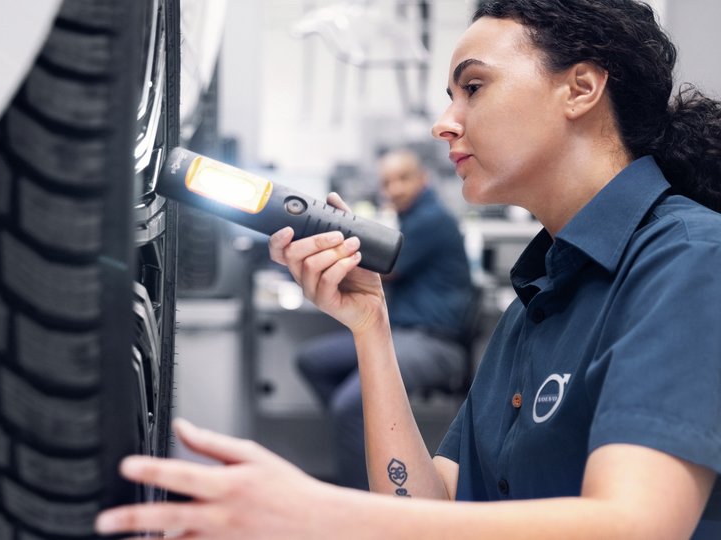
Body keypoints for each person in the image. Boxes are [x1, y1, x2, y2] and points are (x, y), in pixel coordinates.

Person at [95, 1, 721, 537]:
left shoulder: (689, 258)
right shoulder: (535, 304)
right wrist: (371, 326)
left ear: (581, 88)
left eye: (473, 88)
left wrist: (327, 513)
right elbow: (425, 509)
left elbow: (637, 525)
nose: (444, 122)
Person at [296, 148, 473, 490]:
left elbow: (381, 265)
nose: (394, 189)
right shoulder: (411, 218)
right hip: (404, 334)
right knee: (313, 362)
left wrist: (323, 240)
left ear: (424, 179)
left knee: (350, 405)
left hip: (434, 342)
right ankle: (372, 445)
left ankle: (364, 504)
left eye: (402, 179)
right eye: (387, 182)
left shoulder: (431, 220)